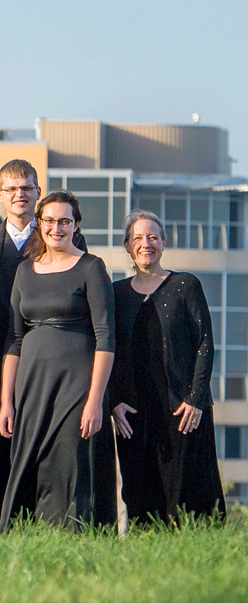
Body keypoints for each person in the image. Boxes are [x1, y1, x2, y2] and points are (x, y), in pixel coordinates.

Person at [0, 191, 115, 529]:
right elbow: (14, 339)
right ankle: (29, 542)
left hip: (76, 387)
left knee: (70, 465)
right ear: (39, 224)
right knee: (33, 466)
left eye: (65, 221)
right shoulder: (24, 271)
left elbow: (106, 338)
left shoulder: (91, 267)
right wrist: (6, 402)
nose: (56, 228)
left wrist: (95, 401)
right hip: (32, 386)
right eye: (49, 221)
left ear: (76, 225)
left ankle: (72, 541)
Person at [108, 210, 226, 524]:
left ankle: (197, 550)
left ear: (163, 242)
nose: (145, 243)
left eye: (152, 237)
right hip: (134, 414)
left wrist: (196, 399)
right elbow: (108, 352)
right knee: (141, 494)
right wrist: (113, 402)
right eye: (137, 238)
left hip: (184, 409)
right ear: (127, 246)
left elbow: (205, 343)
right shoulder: (116, 294)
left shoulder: (186, 285)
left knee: (191, 494)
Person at [0, 159, 41, 521]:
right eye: (12, 189)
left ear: (38, 193)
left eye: (27, 187)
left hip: (43, 356)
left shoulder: (60, 235)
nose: (20, 194)